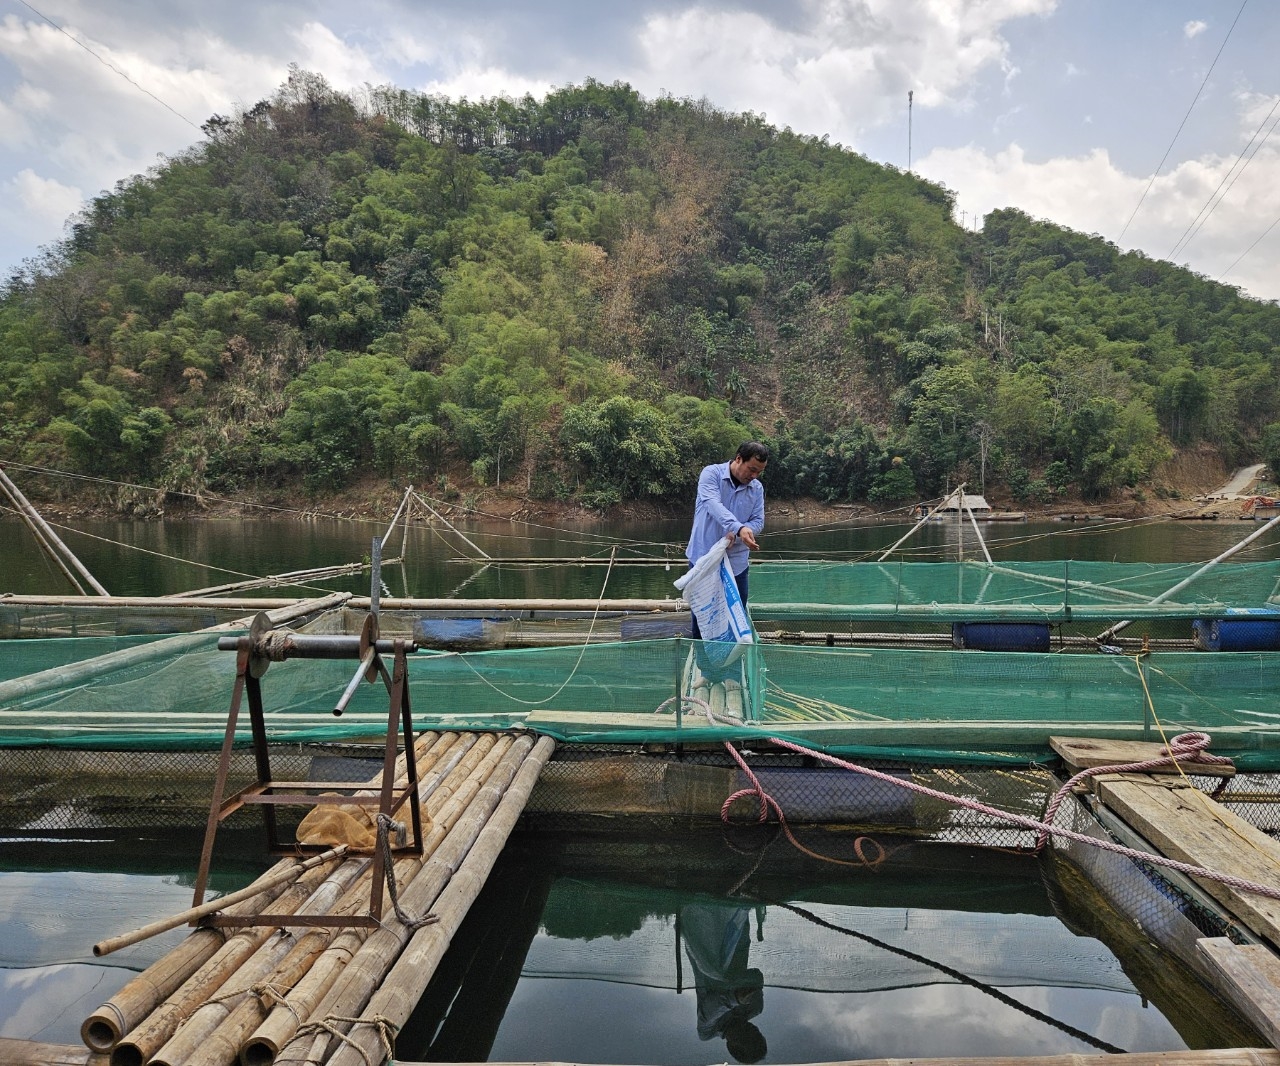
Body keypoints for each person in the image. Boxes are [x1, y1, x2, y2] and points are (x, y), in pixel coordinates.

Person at [685, 441, 768, 640]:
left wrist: (743, 531)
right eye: (752, 469)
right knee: (702, 619)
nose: (754, 476)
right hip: (704, 560)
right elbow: (713, 505)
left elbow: (758, 521)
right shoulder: (711, 474)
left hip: (736, 565)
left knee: (736, 620)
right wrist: (738, 527)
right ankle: (704, 666)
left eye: (759, 472)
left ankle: (731, 669)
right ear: (738, 459)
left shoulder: (756, 489)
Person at [679, 902, 767, 1064]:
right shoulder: (755, 1008)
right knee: (735, 899)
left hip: (703, 948)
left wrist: (735, 996)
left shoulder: (707, 1031)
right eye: (758, 1034)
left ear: (732, 1045)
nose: (754, 1030)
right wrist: (727, 984)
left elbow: (712, 1005)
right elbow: (756, 977)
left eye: (750, 1038)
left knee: (699, 902)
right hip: (736, 936)